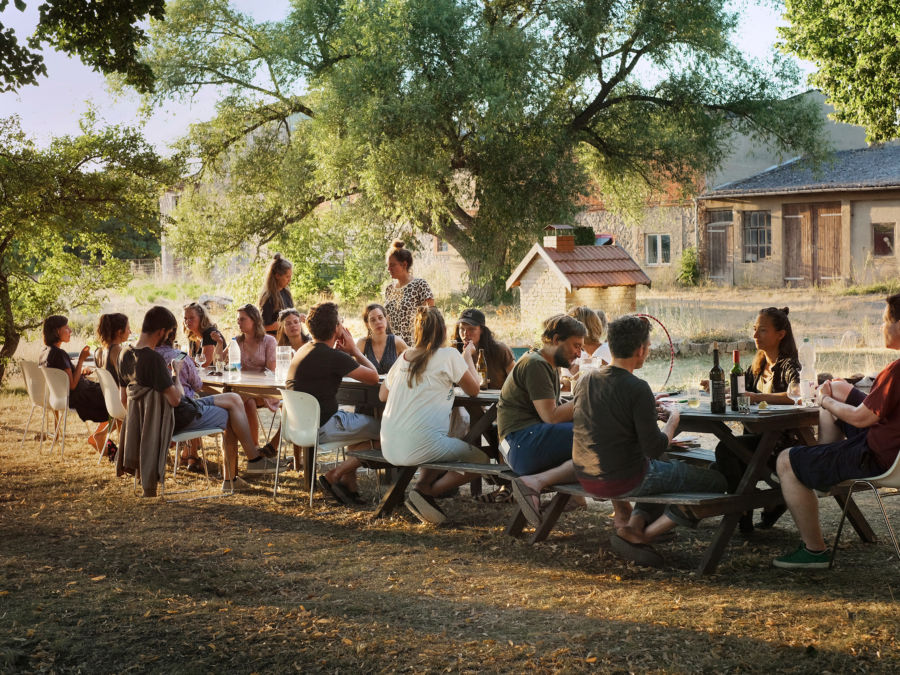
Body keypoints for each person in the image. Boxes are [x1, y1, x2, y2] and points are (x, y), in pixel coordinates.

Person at [573, 315, 727, 567]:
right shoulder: (637, 387)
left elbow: (615, 419)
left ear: (610, 346)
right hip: (625, 479)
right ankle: (645, 534)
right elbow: (654, 448)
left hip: (587, 476)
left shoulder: (586, 379)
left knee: (665, 466)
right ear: (641, 349)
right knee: (719, 481)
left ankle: (634, 525)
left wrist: (647, 411)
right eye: (649, 346)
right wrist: (673, 421)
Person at [773, 293, 900, 569]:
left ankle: (814, 550)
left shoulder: (896, 372)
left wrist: (824, 400)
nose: (882, 327)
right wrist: (834, 391)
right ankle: (820, 466)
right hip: (888, 446)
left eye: (885, 321)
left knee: (785, 461)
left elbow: (859, 418)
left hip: (877, 458)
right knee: (839, 386)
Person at [117, 306, 277, 494]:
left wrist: (145, 419)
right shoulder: (153, 360)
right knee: (231, 414)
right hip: (177, 417)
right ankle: (232, 478)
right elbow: (176, 400)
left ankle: (253, 459)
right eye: (169, 333)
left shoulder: (124, 355)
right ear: (162, 332)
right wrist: (176, 374)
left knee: (234, 399)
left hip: (166, 415)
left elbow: (123, 399)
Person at [379, 307, 485, 524]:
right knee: (482, 460)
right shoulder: (449, 355)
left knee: (436, 439)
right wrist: (467, 356)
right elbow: (474, 390)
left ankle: (423, 487)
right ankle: (429, 492)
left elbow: (383, 395)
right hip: (420, 445)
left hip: (388, 446)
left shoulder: (404, 357)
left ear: (416, 331)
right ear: (444, 331)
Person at [713, 306, 802, 532]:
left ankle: (744, 510)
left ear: (780, 335)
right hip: (756, 437)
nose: (754, 335)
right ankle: (758, 505)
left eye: (762, 330)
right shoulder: (757, 366)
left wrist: (757, 397)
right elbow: (743, 393)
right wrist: (718, 388)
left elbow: (797, 395)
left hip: (780, 443)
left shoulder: (789, 365)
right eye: (754, 329)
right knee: (725, 458)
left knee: (727, 451)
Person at [287, 301, 380, 505]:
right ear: (336, 328)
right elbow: (374, 376)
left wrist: (344, 356)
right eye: (340, 323)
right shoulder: (333, 356)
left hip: (300, 427)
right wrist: (355, 350)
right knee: (386, 433)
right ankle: (334, 475)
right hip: (325, 427)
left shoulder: (304, 349)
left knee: (360, 434)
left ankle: (350, 486)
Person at [497, 314, 586, 526]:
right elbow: (551, 416)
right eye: (575, 345)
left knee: (597, 441)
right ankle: (534, 484)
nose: (579, 353)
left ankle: (574, 497)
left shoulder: (547, 364)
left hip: (519, 444)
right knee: (597, 438)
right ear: (556, 340)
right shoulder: (536, 364)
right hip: (521, 445)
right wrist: (589, 397)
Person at [39, 315, 109, 448]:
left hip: (63, 395)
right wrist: (82, 359)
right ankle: (100, 437)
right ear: (57, 331)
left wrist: (80, 371)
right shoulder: (60, 354)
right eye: (67, 328)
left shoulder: (45, 352)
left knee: (113, 396)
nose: (70, 331)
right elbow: (72, 385)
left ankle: (99, 436)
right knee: (117, 400)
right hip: (81, 396)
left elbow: (63, 379)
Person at [155, 326, 205, 473]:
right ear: (172, 336)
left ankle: (186, 455)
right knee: (195, 402)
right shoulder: (180, 356)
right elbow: (197, 385)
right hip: (181, 414)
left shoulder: (147, 357)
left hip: (156, 415)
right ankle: (192, 456)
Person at [233, 303, 278, 452]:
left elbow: (270, 371)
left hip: (265, 389)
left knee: (247, 400)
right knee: (245, 400)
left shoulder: (269, 341)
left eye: (242, 319)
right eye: (238, 319)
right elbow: (226, 365)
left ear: (254, 320)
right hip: (243, 389)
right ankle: (253, 448)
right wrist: (220, 344)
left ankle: (253, 448)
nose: (239, 322)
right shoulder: (237, 341)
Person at [383, 240, 434, 344]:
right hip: (393, 345)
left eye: (392, 265)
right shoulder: (389, 289)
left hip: (414, 344)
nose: (389, 268)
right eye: (388, 265)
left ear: (404, 264)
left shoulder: (420, 285)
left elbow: (431, 319)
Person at [455, 308, 514, 389]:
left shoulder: (500, 350)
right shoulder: (454, 352)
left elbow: (516, 381)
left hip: (496, 400)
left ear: (482, 330)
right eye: (462, 329)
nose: (466, 333)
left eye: (471, 329)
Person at [357, 303, 408, 375]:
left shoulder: (397, 342)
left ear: (386, 319)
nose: (378, 322)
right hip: (367, 386)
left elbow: (410, 368)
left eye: (380, 318)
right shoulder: (362, 343)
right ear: (367, 324)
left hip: (392, 386)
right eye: (373, 320)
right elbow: (353, 368)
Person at [259, 253, 294, 335]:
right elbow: (263, 327)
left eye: (290, 276)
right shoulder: (268, 297)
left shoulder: (286, 292)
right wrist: (284, 324)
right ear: (277, 275)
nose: (290, 280)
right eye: (287, 277)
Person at [94, 313, 130, 387]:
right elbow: (125, 381)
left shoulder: (98, 351)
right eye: (128, 329)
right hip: (118, 397)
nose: (130, 332)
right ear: (120, 332)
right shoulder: (117, 350)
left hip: (105, 397)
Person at [183, 302, 223, 367]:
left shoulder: (210, 333)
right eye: (185, 318)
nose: (187, 321)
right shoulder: (192, 335)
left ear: (201, 318)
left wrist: (183, 360)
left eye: (191, 318)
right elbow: (192, 361)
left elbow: (205, 363)